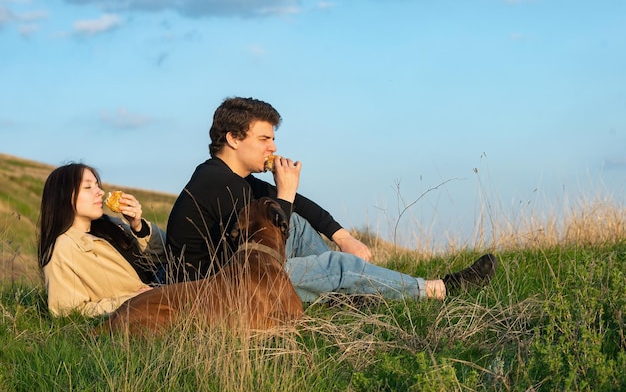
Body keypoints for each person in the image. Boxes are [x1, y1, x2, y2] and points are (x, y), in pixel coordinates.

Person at [166, 97, 497, 303]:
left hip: (240, 275)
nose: (273, 148)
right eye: (264, 138)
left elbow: (298, 212)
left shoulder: (235, 180)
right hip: (214, 294)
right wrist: (285, 193)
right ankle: (439, 290)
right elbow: (268, 239)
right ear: (233, 139)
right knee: (333, 264)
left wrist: (344, 237)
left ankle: (347, 294)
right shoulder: (215, 183)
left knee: (296, 223)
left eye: (273, 139)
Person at [38, 163, 167, 317]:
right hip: (152, 304)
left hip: (164, 281)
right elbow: (66, 311)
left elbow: (165, 253)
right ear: (64, 196)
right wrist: (133, 301)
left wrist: (138, 226)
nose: (100, 192)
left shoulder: (111, 224)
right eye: (88, 187)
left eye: (97, 185)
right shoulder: (63, 248)